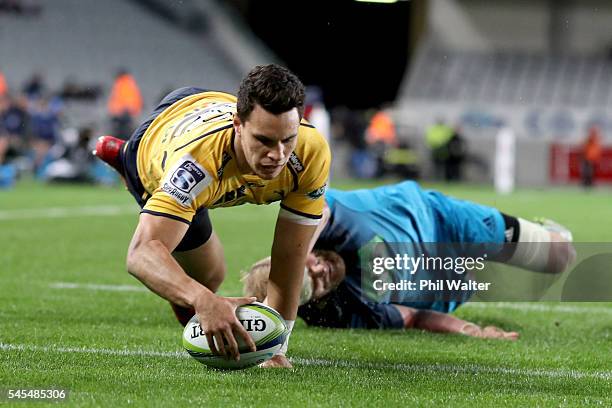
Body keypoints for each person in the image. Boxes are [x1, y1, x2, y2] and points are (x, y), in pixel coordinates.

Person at [94, 64, 331, 368]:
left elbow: (289, 256)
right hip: (158, 144)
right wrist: (202, 299)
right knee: (208, 278)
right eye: (264, 140)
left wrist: (277, 347)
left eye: (288, 139)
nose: (278, 155)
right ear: (238, 125)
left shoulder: (311, 153)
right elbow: (141, 253)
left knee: (203, 277)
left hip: (204, 105)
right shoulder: (195, 166)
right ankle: (125, 157)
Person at [243, 181, 575, 339]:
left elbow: (317, 213)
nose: (320, 269)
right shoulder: (344, 313)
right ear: (314, 301)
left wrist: (292, 264)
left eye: (307, 264)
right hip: (448, 284)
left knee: (561, 256)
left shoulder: (325, 218)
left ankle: (545, 231)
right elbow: (413, 317)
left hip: (442, 220)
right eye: (314, 284)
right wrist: (472, 330)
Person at [107, 69, 143, 140]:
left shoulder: (123, 83)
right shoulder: (128, 83)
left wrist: (117, 112)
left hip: (124, 114)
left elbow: (124, 100)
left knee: (122, 133)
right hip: (125, 114)